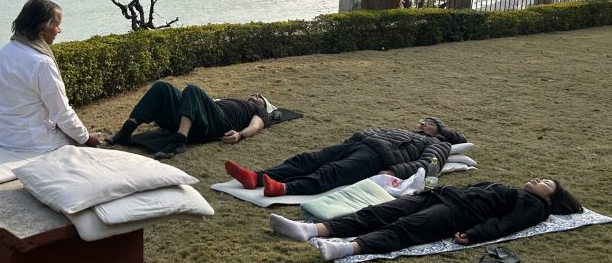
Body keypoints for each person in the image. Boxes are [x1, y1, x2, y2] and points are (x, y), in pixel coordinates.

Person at [269, 177, 583, 260]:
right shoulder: (519, 192)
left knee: (406, 229)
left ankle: (347, 248)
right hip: (439, 197)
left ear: (549, 197)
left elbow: (506, 225)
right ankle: (310, 229)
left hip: (458, 213)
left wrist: (474, 234)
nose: (538, 179)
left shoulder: (534, 206)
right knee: (377, 212)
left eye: (545, 182)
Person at [225, 117, 466, 196]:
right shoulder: (409, 132)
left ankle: (283, 189)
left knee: (331, 173)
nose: (422, 123)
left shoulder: (437, 143)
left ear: (440, 129)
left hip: (378, 159)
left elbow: (426, 165)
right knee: (306, 160)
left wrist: (394, 172)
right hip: (358, 145)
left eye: (428, 122)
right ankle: (254, 178)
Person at [0, 0, 103, 152]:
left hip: (5, 137)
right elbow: (62, 113)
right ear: (42, 29)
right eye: (57, 25)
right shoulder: (41, 62)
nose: (59, 30)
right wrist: (86, 138)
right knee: (79, 140)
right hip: (36, 142)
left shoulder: (4, 53)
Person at [105, 81, 277, 159]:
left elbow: (256, 126)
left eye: (260, 96)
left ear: (265, 105)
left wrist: (240, 135)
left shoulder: (259, 111)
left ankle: (179, 141)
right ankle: (126, 130)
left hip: (219, 123)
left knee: (192, 89)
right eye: (254, 94)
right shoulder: (234, 100)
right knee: (162, 87)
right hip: (200, 117)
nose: (255, 95)